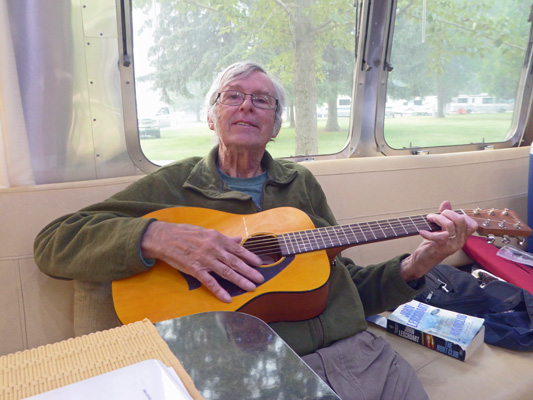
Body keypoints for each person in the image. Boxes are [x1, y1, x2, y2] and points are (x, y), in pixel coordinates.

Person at [34, 61, 478, 399]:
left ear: (275, 126)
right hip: (261, 369)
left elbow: (343, 285)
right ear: (212, 117)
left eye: (262, 100)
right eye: (233, 96)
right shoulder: (173, 186)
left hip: (359, 355)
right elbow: (55, 241)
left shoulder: (300, 184)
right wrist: (158, 237)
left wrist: (419, 263)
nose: (247, 105)